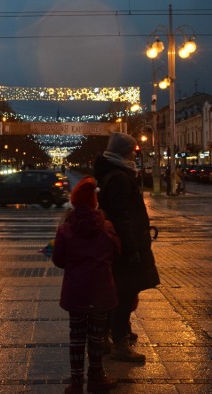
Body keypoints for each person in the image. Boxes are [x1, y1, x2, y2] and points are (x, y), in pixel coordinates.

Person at [94, 132, 160, 363]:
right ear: (124, 152)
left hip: (122, 244)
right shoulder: (120, 178)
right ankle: (119, 342)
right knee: (124, 293)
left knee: (118, 291)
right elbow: (123, 217)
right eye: (133, 150)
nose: (135, 153)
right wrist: (132, 249)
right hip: (126, 246)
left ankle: (106, 336)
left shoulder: (114, 173)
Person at [52, 176, 119, 393]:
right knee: (96, 337)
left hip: (76, 292)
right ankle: (97, 377)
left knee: (77, 337)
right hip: (101, 291)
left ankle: (76, 382)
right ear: (94, 202)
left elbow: (58, 260)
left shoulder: (65, 229)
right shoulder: (106, 227)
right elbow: (117, 253)